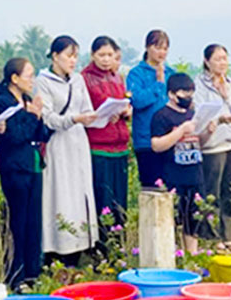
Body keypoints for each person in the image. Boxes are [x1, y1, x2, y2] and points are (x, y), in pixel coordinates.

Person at [34, 35, 99, 265]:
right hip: (58, 144)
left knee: (80, 192)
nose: (73, 61)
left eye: (75, 56)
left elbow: (88, 110)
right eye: (68, 56)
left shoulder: (78, 80)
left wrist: (100, 116)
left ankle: (80, 247)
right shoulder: (42, 81)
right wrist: (75, 118)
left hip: (78, 142)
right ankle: (56, 250)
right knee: (60, 194)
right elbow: (48, 118)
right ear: (54, 56)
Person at [0, 58, 50, 288]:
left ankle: (32, 272)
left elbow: (41, 134)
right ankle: (15, 275)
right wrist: (32, 116)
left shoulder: (27, 100)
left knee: (34, 221)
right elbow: (14, 137)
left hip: (34, 165)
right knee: (18, 221)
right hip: (14, 168)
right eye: (28, 75)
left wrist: (38, 116)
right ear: (14, 79)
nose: (32, 80)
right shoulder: (3, 102)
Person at [193, 43, 231, 252]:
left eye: (225, 58)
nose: (222, 63)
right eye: (217, 59)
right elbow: (200, 112)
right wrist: (219, 117)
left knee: (229, 190)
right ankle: (212, 236)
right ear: (207, 61)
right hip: (213, 143)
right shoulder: (199, 84)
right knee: (212, 191)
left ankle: (229, 237)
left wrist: (228, 96)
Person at [151, 73, 206, 254]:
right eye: (184, 93)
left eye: (191, 93)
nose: (188, 97)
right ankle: (171, 254)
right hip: (173, 175)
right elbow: (157, 145)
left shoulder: (193, 114)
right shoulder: (161, 116)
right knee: (174, 217)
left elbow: (199, 141)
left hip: (195, 172)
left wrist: (209, 132)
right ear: (172, 94)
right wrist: (181, 130)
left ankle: (192, 255)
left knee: (193, 217)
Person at [81, 36, 131, 232]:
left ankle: (118, 243)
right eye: (101, 55)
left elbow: (124, 102)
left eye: (110, 55)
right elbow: (85, 108)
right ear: (93, 55)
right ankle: (101, 246)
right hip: (98, 145)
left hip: (120, 144)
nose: (106, 59)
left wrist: (126, 111)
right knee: (103, 197)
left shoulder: (116, 77)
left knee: (120, 199)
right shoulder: (85, 79)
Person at [126, 29, 174, 187]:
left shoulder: (171, 73)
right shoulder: (136, 74)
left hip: (170, 138)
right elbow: (138, 101)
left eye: (165, 48)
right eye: (158, 47)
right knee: (151, 188)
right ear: (147, 47)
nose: (162, 53)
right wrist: (158, 84)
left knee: (171, 188)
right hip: (146, 139)